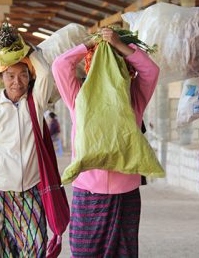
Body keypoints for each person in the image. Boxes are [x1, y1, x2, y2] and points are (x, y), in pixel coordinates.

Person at [52, 27, 159, 257]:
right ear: (91, 69)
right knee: (84, 253)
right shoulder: (78, 97)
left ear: (127, 72)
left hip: (126, 195)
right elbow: (60, 65)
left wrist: (120, 45)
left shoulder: (134, 98)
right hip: (88, 193)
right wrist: (91, 44)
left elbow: (150, 70)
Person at [0, 29, 56, 257]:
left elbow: (46, 72)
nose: (17, 82)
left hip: (29, 191)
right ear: (1, 76)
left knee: (36, 248)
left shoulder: (35, 103)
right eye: (11, 75)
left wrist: (28, 49)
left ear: (30, 76)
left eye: (23, 74)